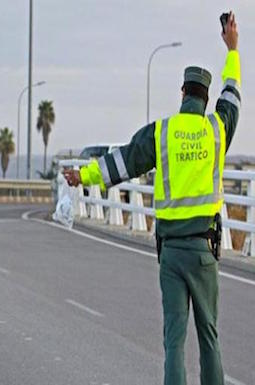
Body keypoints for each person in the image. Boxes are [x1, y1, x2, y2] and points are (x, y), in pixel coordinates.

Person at [64, 12, 240, 385]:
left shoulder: (161, 133)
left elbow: (122, 162)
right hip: (205, 250)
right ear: (205, 99)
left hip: (171, 253)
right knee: (209, 336)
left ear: (182, 94)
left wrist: (83, 175)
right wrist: (232, 49)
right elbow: (233, 95)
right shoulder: (216, 130)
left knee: (174, 340)